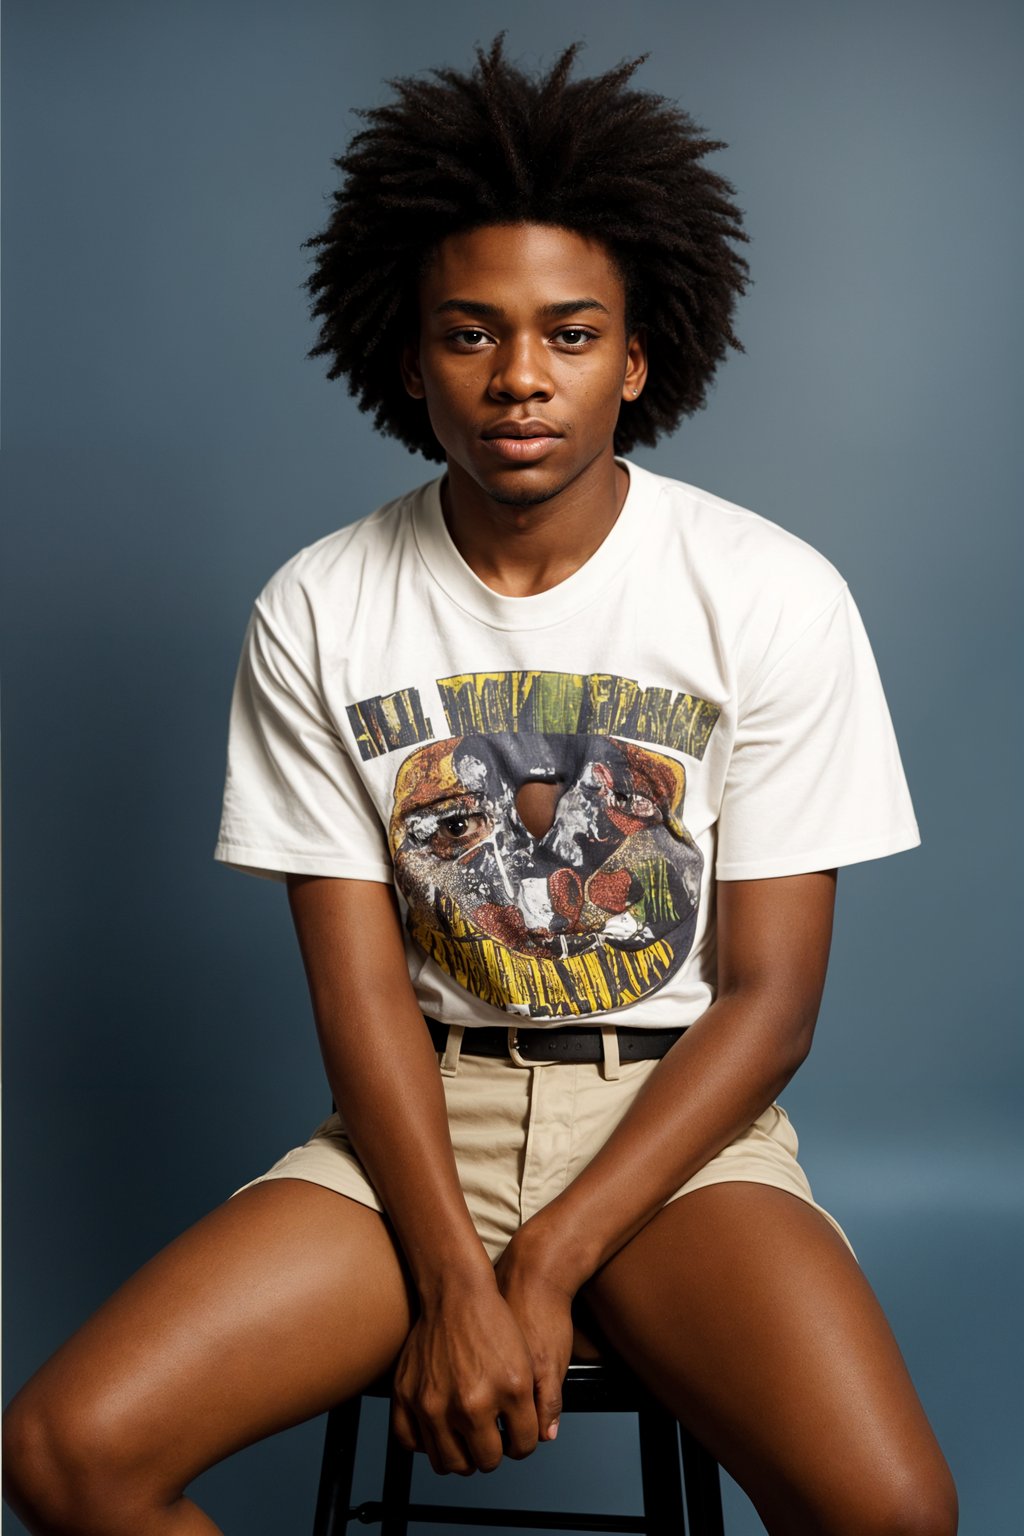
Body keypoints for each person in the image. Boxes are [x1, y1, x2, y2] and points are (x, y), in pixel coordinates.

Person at [4, 37, 958, 1536]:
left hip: (675, 1130)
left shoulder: (768, 593)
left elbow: (770, 999)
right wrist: (454, 1271)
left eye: (570, 334)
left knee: (889, 1515)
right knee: (67, 1454)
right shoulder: (320, 605)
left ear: (638, 358)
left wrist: (552, 1261)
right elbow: (360, 989)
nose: (521, 377)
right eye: (472, 333)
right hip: (412, 1135)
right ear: (406, 354)